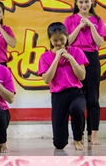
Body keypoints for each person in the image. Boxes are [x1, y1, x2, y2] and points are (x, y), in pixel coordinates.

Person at [64, 0, 106, 145]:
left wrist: (91, 26)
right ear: (76, 3)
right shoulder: (70, 20)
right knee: (77, 97)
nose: (84, 5)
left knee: (93, 98)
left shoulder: (97, 20)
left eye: (86, 2)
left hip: (92, 58)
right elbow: (67, 42)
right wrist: (79, 26)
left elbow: (100, 42)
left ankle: (93, 135)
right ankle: (79, 135)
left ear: (92, 2)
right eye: (81, 2)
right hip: (75, 57)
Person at [38, 22, 88, 150]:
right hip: (58, 95)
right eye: (55, 40)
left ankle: (78, 138)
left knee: (76, 109)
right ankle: (62, 139)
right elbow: (47, 79)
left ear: (66, 36)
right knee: (59, 144)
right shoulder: (44, 57)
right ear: (50, 40)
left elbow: (82, 76)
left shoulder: (76, 52)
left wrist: (71, 59)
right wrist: (56, 58)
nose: (59, 43)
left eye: (62, 39)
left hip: (76, 92)